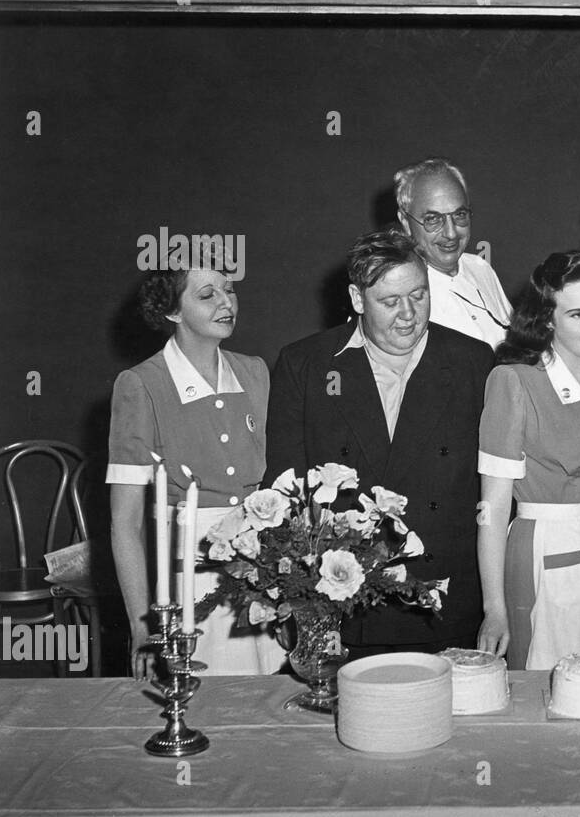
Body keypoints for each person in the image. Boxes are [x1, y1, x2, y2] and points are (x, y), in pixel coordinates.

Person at [266, 228, 493, 656]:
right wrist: (294, 599)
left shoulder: (474, 361)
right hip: (343, 610)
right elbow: (284, 489)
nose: (408, 313)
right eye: (390, 302)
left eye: (419, 296)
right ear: (356, 299)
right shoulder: (306, 365)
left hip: (444, 606)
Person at [108, 266, 284, 676]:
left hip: (262, 569)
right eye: (207, 295)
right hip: (191, 577)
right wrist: (142, 627)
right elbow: (125, 523)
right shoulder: (140, 384)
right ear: (172, 311)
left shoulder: (255, 372)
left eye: (229, 290)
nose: (226, 302)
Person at [476, 251, 580, 669]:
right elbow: (492, 509)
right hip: (544, 552)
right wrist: (493, 608)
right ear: (547, 319)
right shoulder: (513, 381)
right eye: (577, 314)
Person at [394, 158, 512, 347]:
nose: (451, 233)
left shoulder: (480, 267)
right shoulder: (396, 289)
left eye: (460, 215)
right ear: (406, 222)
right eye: (433, 219)